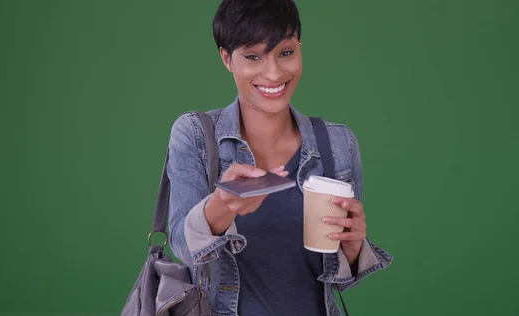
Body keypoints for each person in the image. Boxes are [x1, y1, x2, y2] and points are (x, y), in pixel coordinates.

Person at [166, 0, 393, 315]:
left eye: (285, 52)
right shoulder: (196, 135)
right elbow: (181, 246)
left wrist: (353, 248)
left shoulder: (338, 143)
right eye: (253, 56)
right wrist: (222, 206)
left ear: (299, 47)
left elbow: (337, 279)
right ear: (226, 59)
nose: (273, 73)